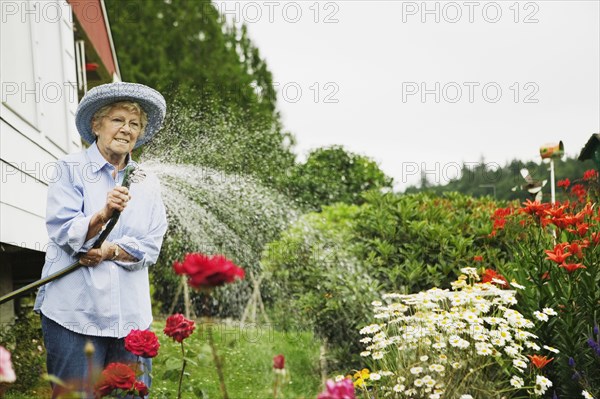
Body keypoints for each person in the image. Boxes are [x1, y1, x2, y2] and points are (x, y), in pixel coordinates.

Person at [33, 82, 168, 396]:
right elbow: (65, 232)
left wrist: (110, 251)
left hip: (130, 319)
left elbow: (151, 244)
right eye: (118, 120)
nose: (126, 129)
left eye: (134, 124)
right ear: (96, 124)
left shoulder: (146, 182)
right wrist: (103, 214)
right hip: (74, 317)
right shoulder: (70, 169)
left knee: (130, 396)